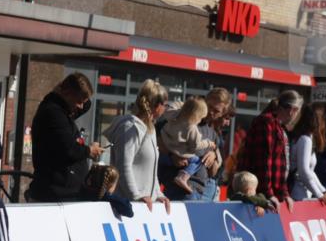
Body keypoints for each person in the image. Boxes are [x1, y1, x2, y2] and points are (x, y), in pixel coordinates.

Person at [28, 72, 102, 202]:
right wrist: (89, 150)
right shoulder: (54, 113)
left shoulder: (63, 111)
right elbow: (69, 150)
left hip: (62, 194)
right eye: (79, 101)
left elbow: (86, 105)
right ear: (67, 93)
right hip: (55, 196)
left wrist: (81, 93)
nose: (80, 107)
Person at [102, 79, 171, 213]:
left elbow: (151, 171)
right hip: (127, 207)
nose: (166, 109)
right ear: (157, 106)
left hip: (143, 206)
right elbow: (123, 166)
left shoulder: (150, 129)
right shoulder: (130, 127)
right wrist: (136, 196)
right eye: (166, 105)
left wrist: (158, 194)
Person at [239, 90, 304, 213]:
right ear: (292, 110)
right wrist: (268, 193)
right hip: (256, 194)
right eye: (297, 111)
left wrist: (284, 194)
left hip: (267, 194)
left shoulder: (279, 127)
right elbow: (263, 161)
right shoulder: (267, 123)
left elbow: (281, 165)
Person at [158, 97, 216, 195]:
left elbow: (169, 108)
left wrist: (181, 104)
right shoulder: (192, 128)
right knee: (197, 160)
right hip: (180, 152)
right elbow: (196, 146)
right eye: (201, 118)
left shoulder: (175, 115)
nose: (200, 120)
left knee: (164, 160)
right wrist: (208, 143)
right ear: (197, 116)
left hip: (167, 144)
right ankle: (183, 176)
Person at [289, 104, 326, 207]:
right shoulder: (305, 139)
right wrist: (319, 194)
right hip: (298, 194)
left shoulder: (304, 137)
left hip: (301, 192)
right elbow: (304, 171)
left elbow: (310, 172)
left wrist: (322, 191)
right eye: (324, 119)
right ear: (318, 120)